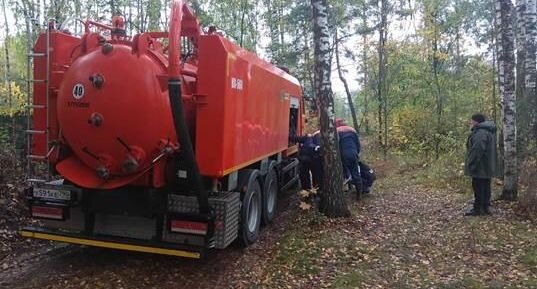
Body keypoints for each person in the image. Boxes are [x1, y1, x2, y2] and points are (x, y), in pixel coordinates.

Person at [464, 113, 498, 216]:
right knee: (485, 185)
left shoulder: (480, 132)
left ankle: (478, 209)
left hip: (480, 166)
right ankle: (485, 207)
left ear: (476, 121)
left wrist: (471, 163)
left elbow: (477, 150)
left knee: (478, 186)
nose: (471, 123)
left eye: (472, 121)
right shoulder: (488, 131)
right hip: (486, 165)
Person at [336, 118, 362, 195]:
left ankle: (344, 190)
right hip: (353, 153)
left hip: (342, 155)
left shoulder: (337, 131)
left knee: (344, 172)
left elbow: (335, 145)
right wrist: (356, 153)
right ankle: (359, 194)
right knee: (355, 173)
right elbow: (358, 144)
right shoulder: (352, 130)